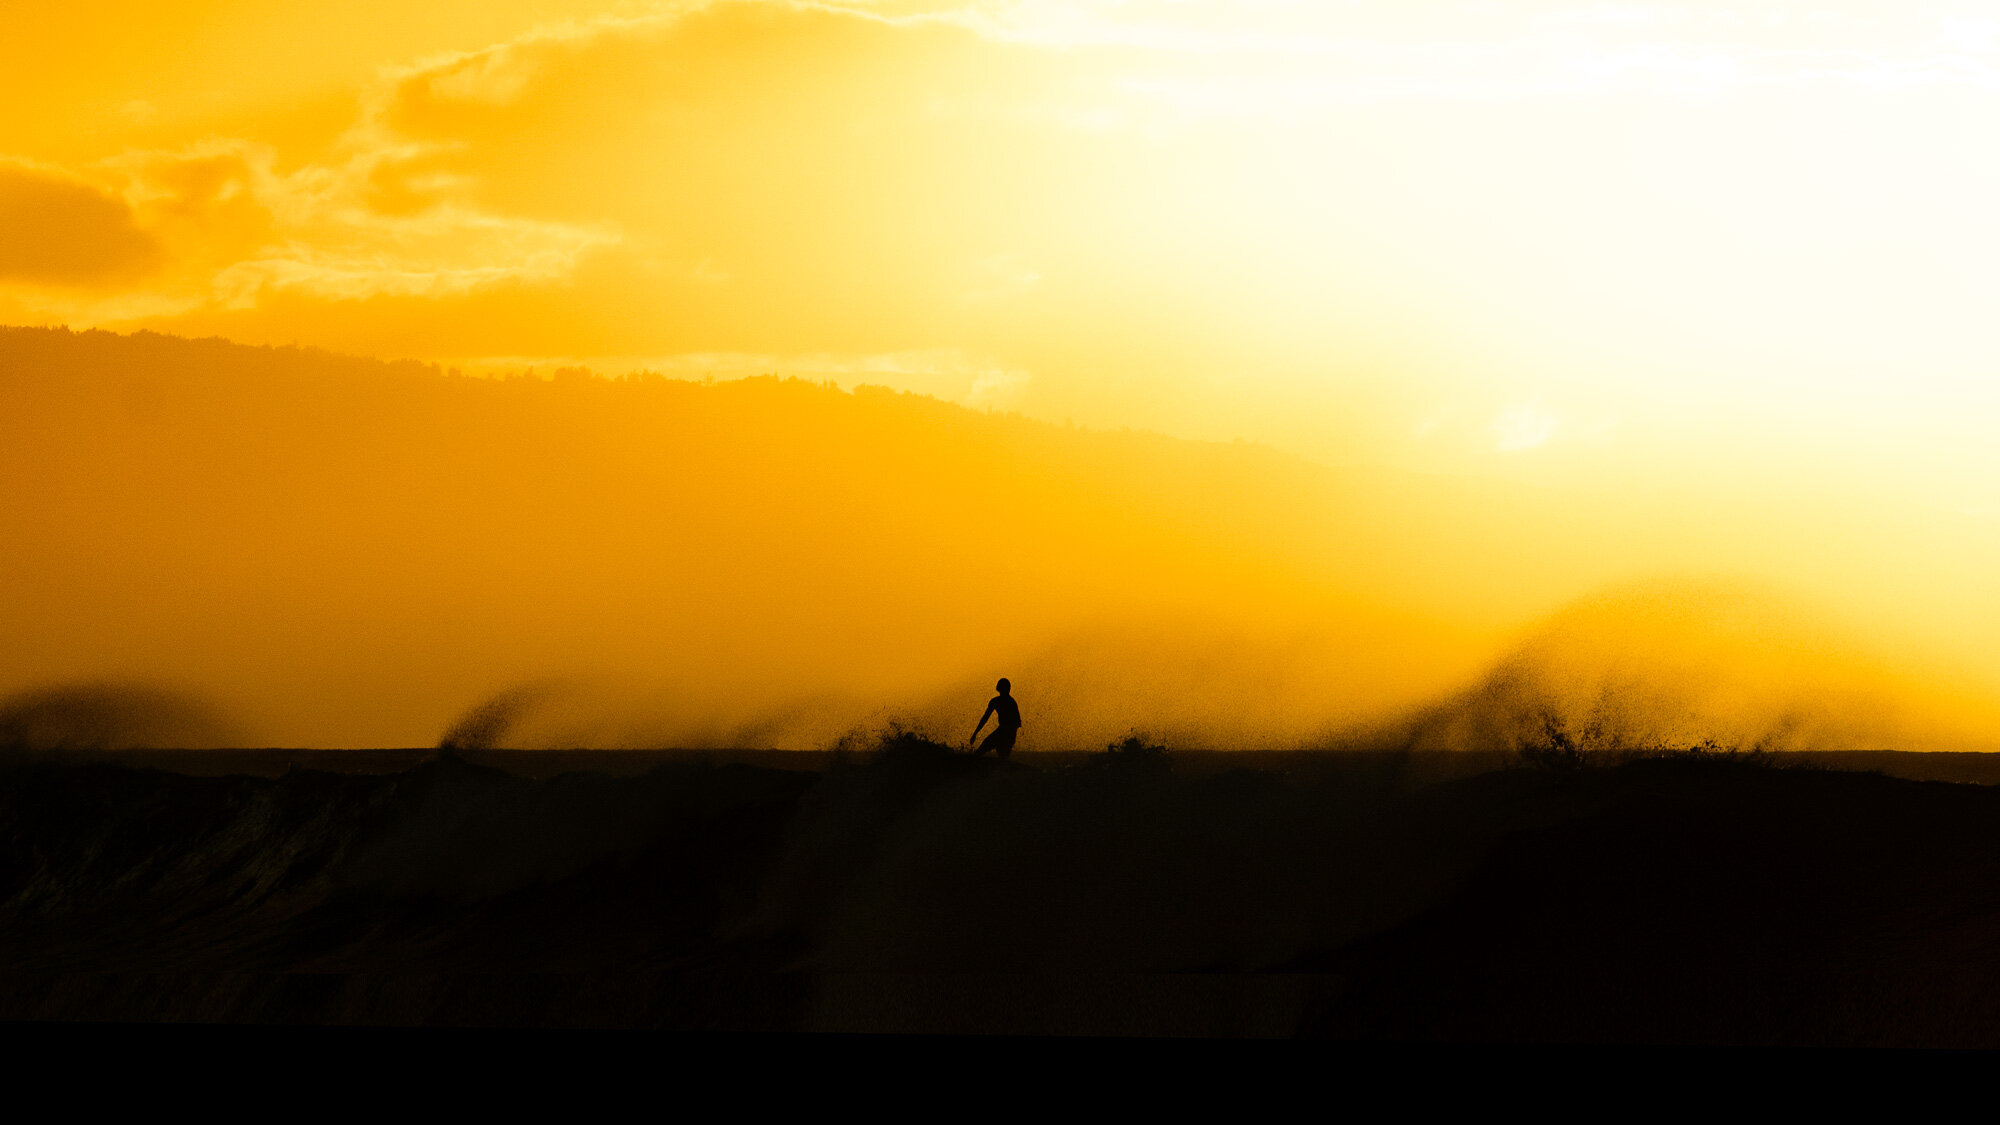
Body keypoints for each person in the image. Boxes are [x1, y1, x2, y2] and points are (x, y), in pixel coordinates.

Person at [968, 678, 1022, 758]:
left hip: (1008, 732)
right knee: (984, 748)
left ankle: (1002, 766)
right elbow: (985, 718)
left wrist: (1010, 738)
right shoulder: (995, 701)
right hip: (1003, 731)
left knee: (1001, 753)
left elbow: (1017, 723)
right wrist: (975, 733)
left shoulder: (1011, 702)